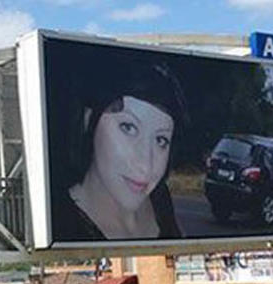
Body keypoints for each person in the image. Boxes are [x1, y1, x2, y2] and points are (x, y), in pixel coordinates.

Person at [55, 62, 187, 240]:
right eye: (128, 127)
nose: (145, 164)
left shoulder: (159, 199)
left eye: (160, 140)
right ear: (89, 120)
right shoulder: (62, 225)